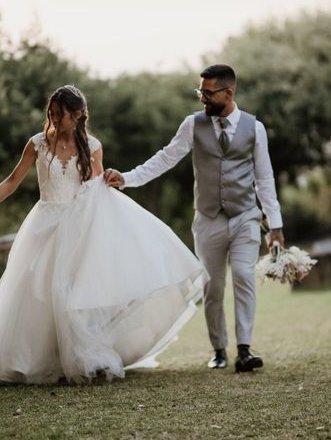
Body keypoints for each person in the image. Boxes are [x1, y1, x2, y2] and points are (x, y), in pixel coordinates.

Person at [0, 85, 208, 387]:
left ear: (78, 116)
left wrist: (113, 182)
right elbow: (11, 181)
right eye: (51, 114)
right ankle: (33, 359)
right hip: (44, 224)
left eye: (61, 116)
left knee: (74, 293)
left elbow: (95, 190)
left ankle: (81, 357)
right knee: (36, 291)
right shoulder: (36, 144)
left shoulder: (92, 146)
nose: (55, 121)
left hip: (78, 227)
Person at [105, 65, 284, 373]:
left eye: (208, 93)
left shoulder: (255, 128)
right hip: (208, 220)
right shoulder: (192, 125)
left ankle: (244, 349)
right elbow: (165, 157)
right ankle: (219, 349)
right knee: (212, 287)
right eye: (200, 92)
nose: (202, 98)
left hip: (245, 217)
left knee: (242, 275)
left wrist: (276, 225)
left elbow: (264, 179)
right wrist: (127, 178)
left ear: (228, 93)